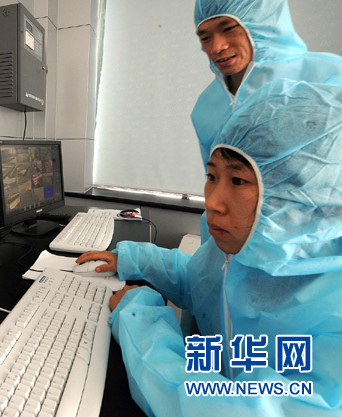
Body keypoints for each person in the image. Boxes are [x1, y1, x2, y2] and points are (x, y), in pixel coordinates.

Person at [76, 80, 342, 415]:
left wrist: (138, 319)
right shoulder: (247, 248)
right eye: (212, 176)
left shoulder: (333, 322)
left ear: (304, 197)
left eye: (238, 180)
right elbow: (201, 282)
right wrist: (135, 258)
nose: (212, 202)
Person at [192, 0, 342, 166]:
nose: (216, 47)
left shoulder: (331, 73)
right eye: (205, 37)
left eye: (228, 29)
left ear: (262, 22)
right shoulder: (205, 107)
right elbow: (214, 173)